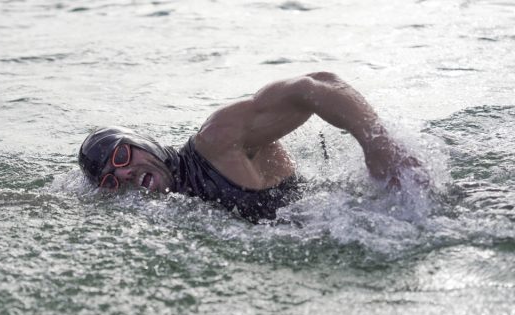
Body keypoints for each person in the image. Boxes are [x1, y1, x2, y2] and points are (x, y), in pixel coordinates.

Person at [78, 71, 422, 222]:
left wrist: (380, 148)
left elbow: (314, 85)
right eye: (111, 179)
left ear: (146, 144)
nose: (123, 173)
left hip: (387, 211)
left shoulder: (216, 141)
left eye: (122, 155)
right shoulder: (168, 201)